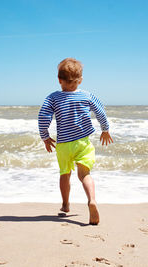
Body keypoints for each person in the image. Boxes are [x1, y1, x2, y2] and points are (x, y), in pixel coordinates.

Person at [38, 58, 113, 225]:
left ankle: (65, 204)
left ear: (59, 80)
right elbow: (100, 112)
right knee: (84, 174)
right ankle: (92, 200)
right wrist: (105, 129)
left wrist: (45, 136)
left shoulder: (53, 98)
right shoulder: (87, 95)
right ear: (80, 80)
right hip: (83, 143)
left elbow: (43, 117)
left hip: (64, 144)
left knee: (65, 174)